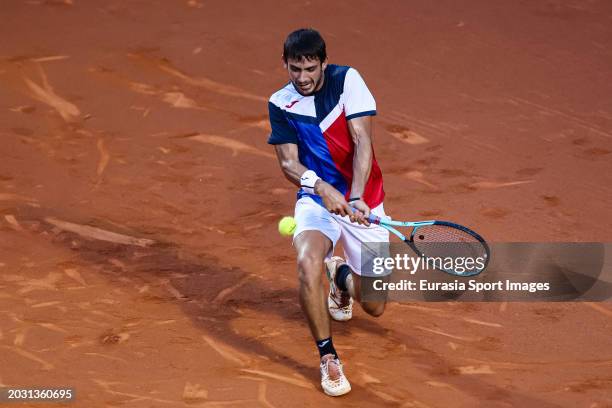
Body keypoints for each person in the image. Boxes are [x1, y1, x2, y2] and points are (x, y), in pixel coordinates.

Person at [267, 28, 390, 397]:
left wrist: (354, 197)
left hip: (364, 202)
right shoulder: (280, 102)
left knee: (376, 306)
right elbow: (289, 163)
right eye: (294, 69)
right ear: (286, 66)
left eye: (309, 68)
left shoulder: (346, 80)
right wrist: (321, 187)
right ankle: (328, 356)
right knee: (307, 262)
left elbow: (361, 139)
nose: (302, 78)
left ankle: (339, 278)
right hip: (316, 201)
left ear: (323, 62)